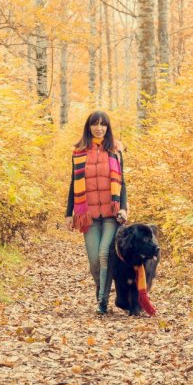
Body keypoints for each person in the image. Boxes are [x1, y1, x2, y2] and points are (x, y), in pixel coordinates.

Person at [65, 110, 128, 314]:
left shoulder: (116, 150)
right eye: (95, 124)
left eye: (103, 124)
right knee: (94, 261)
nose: (99, 128)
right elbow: (74, 183)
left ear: (108, 127)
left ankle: (102, 301)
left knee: (104, 255)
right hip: (88, 214)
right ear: (89, 126)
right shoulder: (79, 151)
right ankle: (100, 289)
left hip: (111, 213)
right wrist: (69, 213)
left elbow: (122, 181)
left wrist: (124, 207)